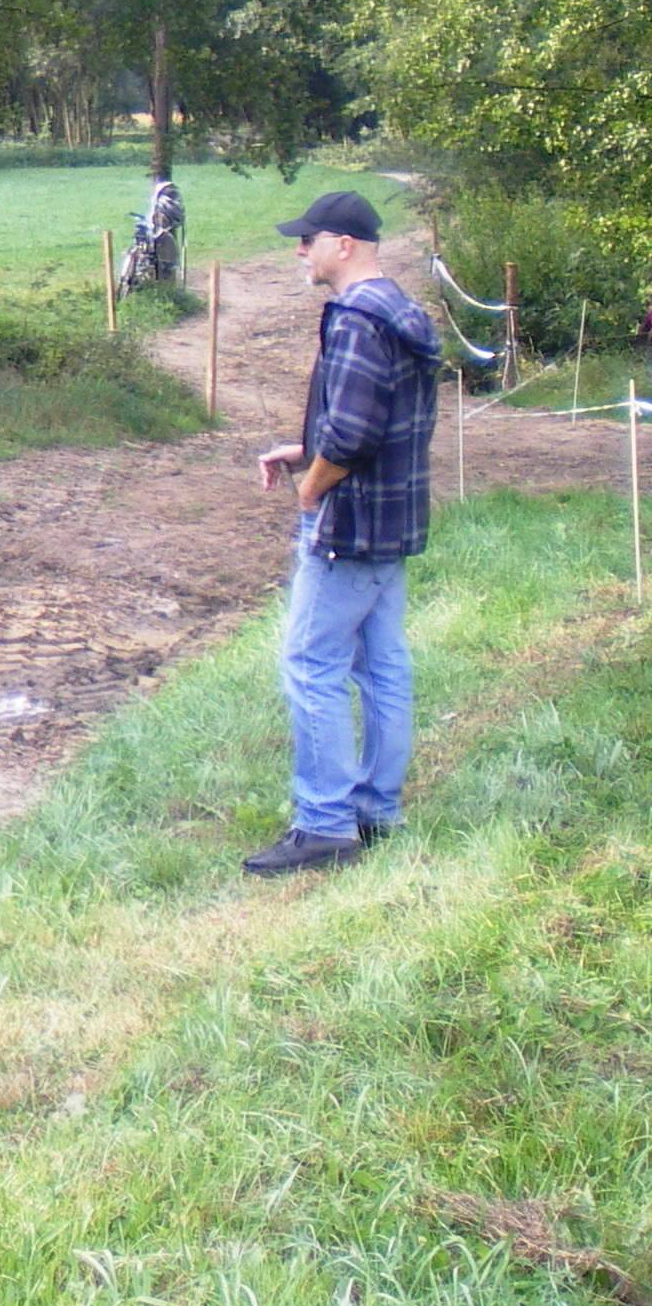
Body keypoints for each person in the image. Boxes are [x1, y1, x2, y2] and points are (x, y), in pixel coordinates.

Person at [246, 188, 440, 876]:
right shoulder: (402, 309)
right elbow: (383, 422)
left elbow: (355, 434)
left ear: (343, 245)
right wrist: (305, 448)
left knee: (311, 664)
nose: (300, 251)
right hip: (395, 519)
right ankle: (376, 812)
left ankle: (326, 826)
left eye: (308, 240)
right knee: (384, 666)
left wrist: (311, 485)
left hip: (350, 526)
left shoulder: (356, 317)